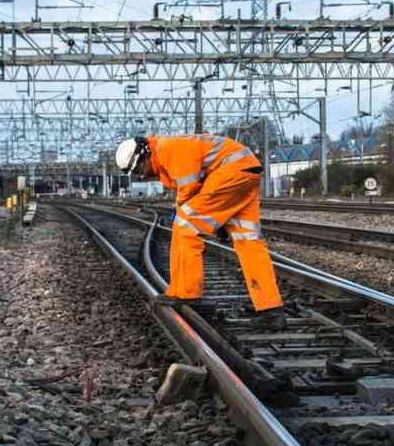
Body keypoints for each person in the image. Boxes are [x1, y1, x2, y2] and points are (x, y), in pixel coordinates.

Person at [116, 135, 286, 328]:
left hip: (230, 173)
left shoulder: (166, 149)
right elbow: (201, 186)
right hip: (247, 172)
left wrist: (183, 213)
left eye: (138, 169)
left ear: (145, 154)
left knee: (185, 227)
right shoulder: (169, 150)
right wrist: (218, 222)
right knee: (248, 241)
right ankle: (271, 311)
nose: (141, 175)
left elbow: (188, 190)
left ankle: (186, 294)